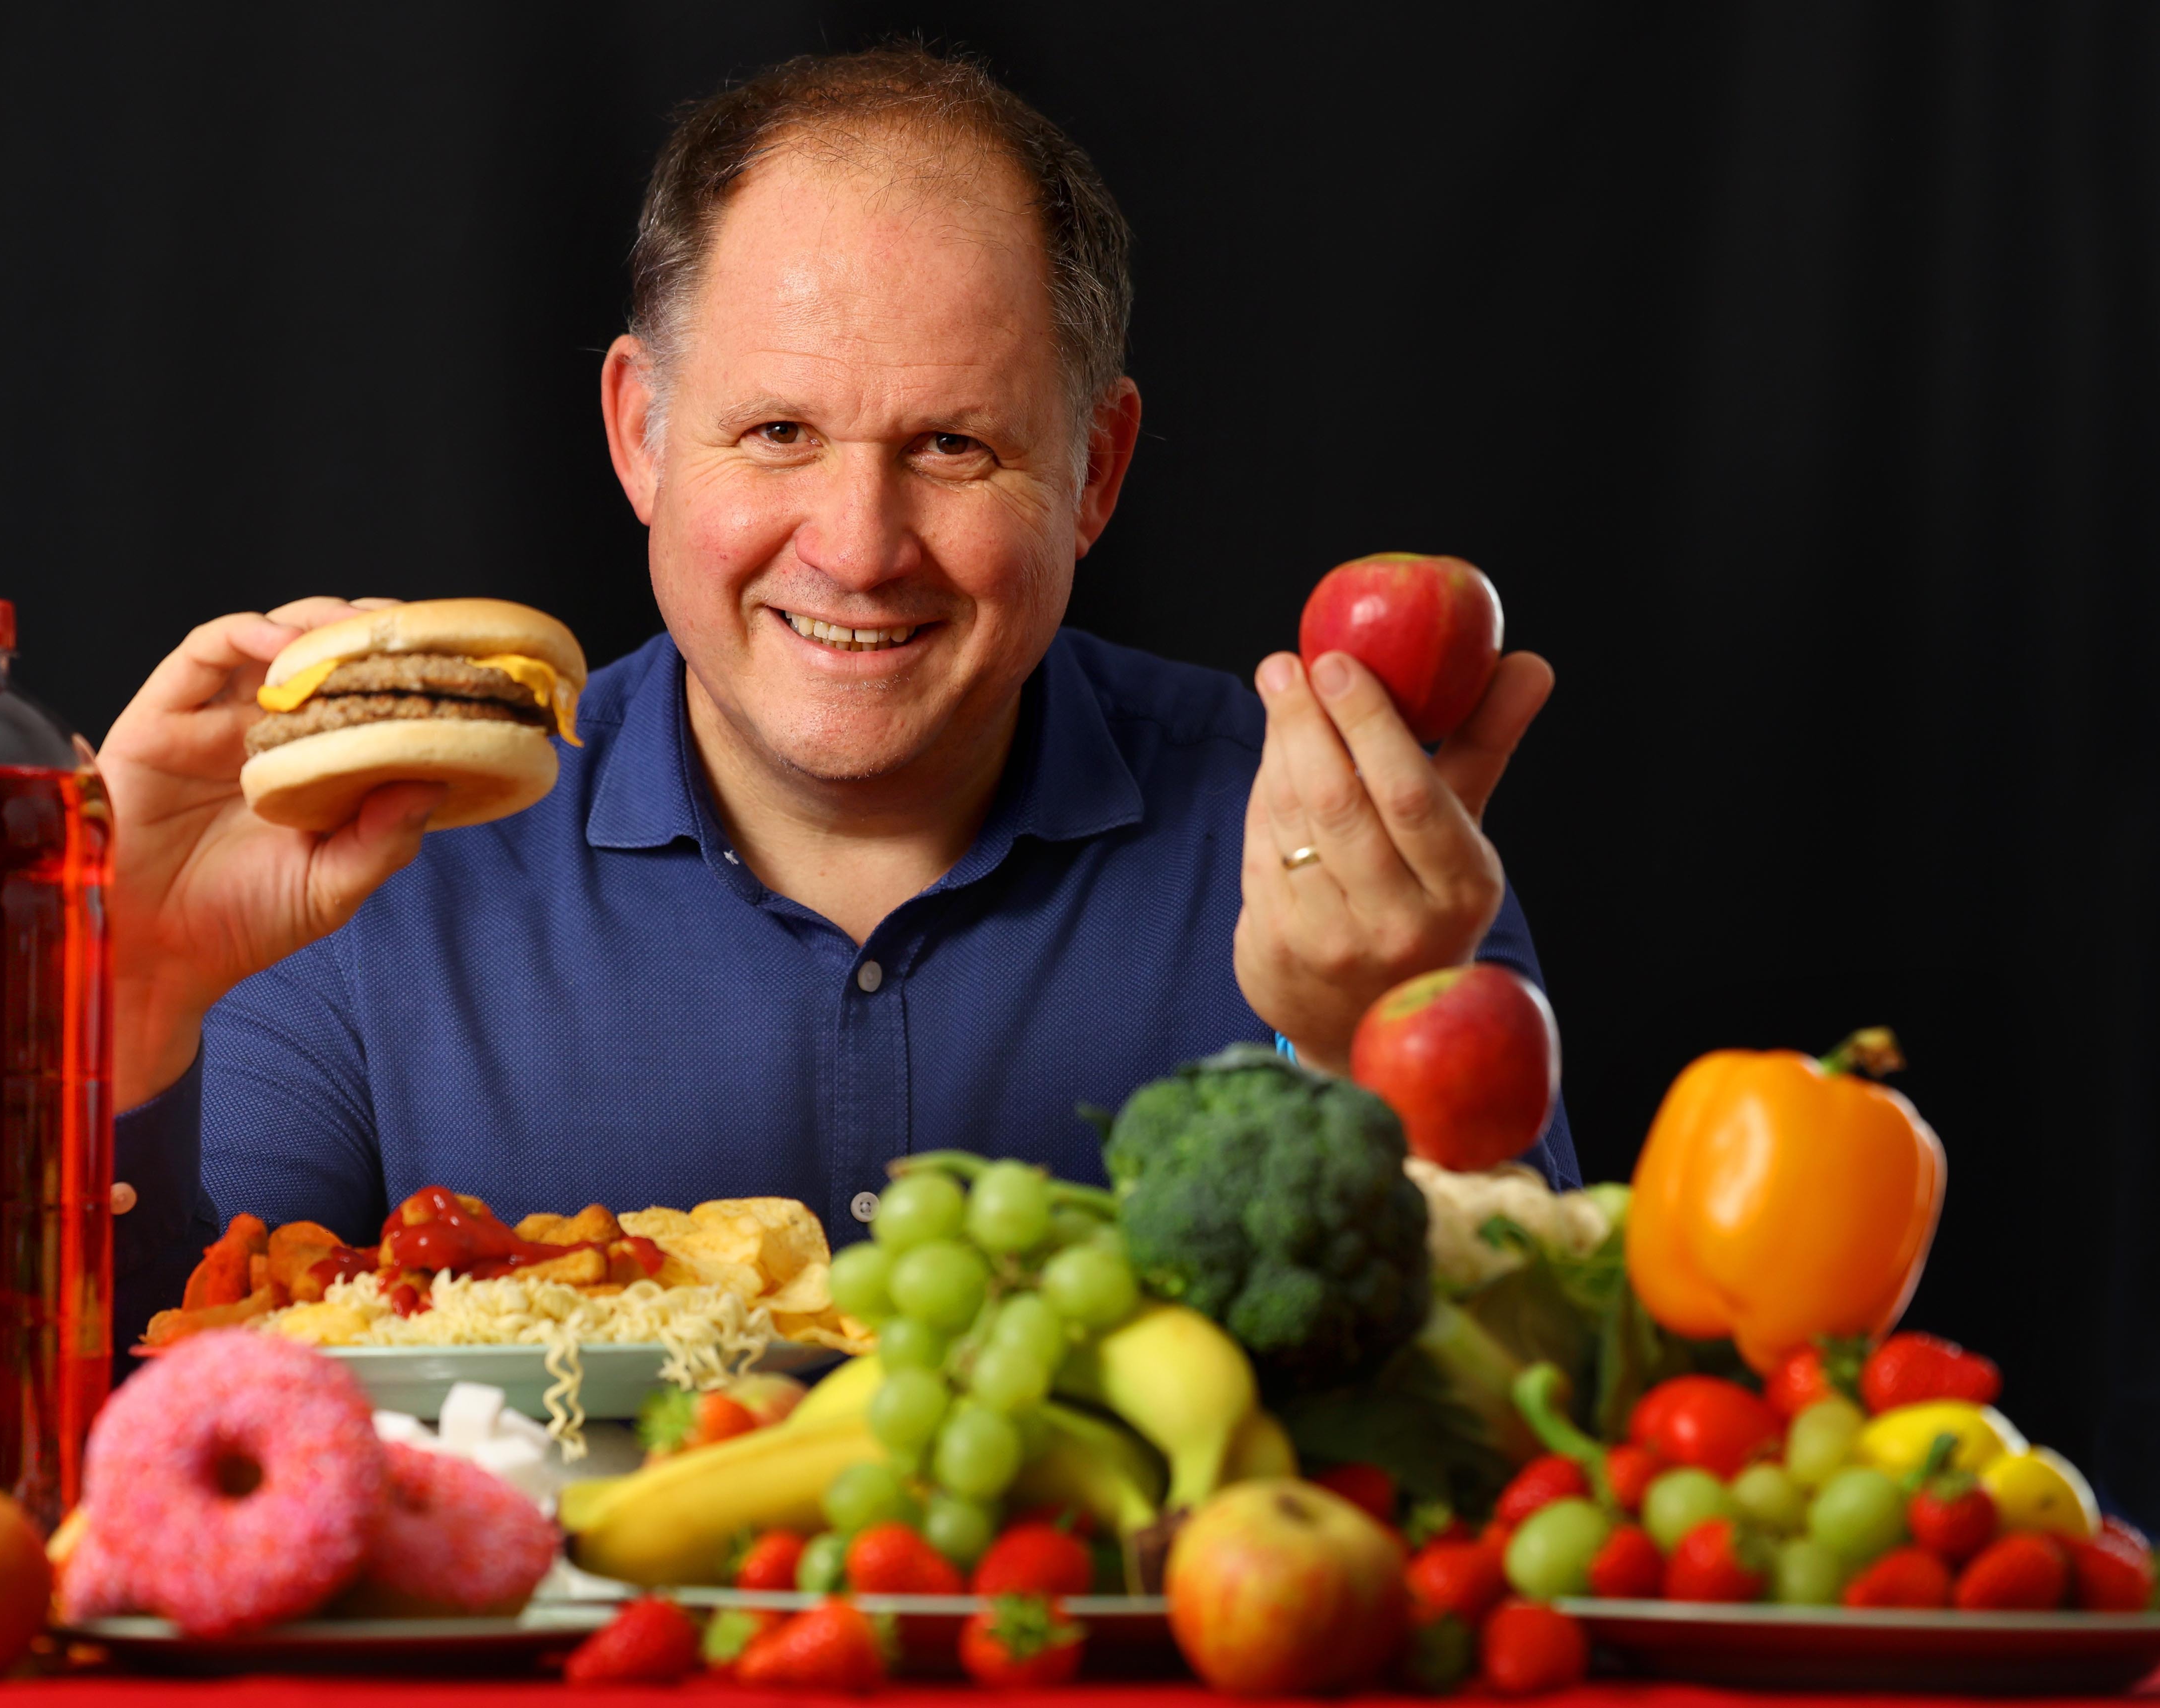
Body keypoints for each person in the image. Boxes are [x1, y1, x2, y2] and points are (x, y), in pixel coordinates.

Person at [99, 47, 1568, 1353]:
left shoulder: (1349, 842)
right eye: (778, 430)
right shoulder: (362, 857)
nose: (858, 547)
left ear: (1096, 475)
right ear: (640, 434)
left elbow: (1545, 1404)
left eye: (951, 443)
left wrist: (1379, 1051)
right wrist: (127, 1011)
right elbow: (136, 1435)